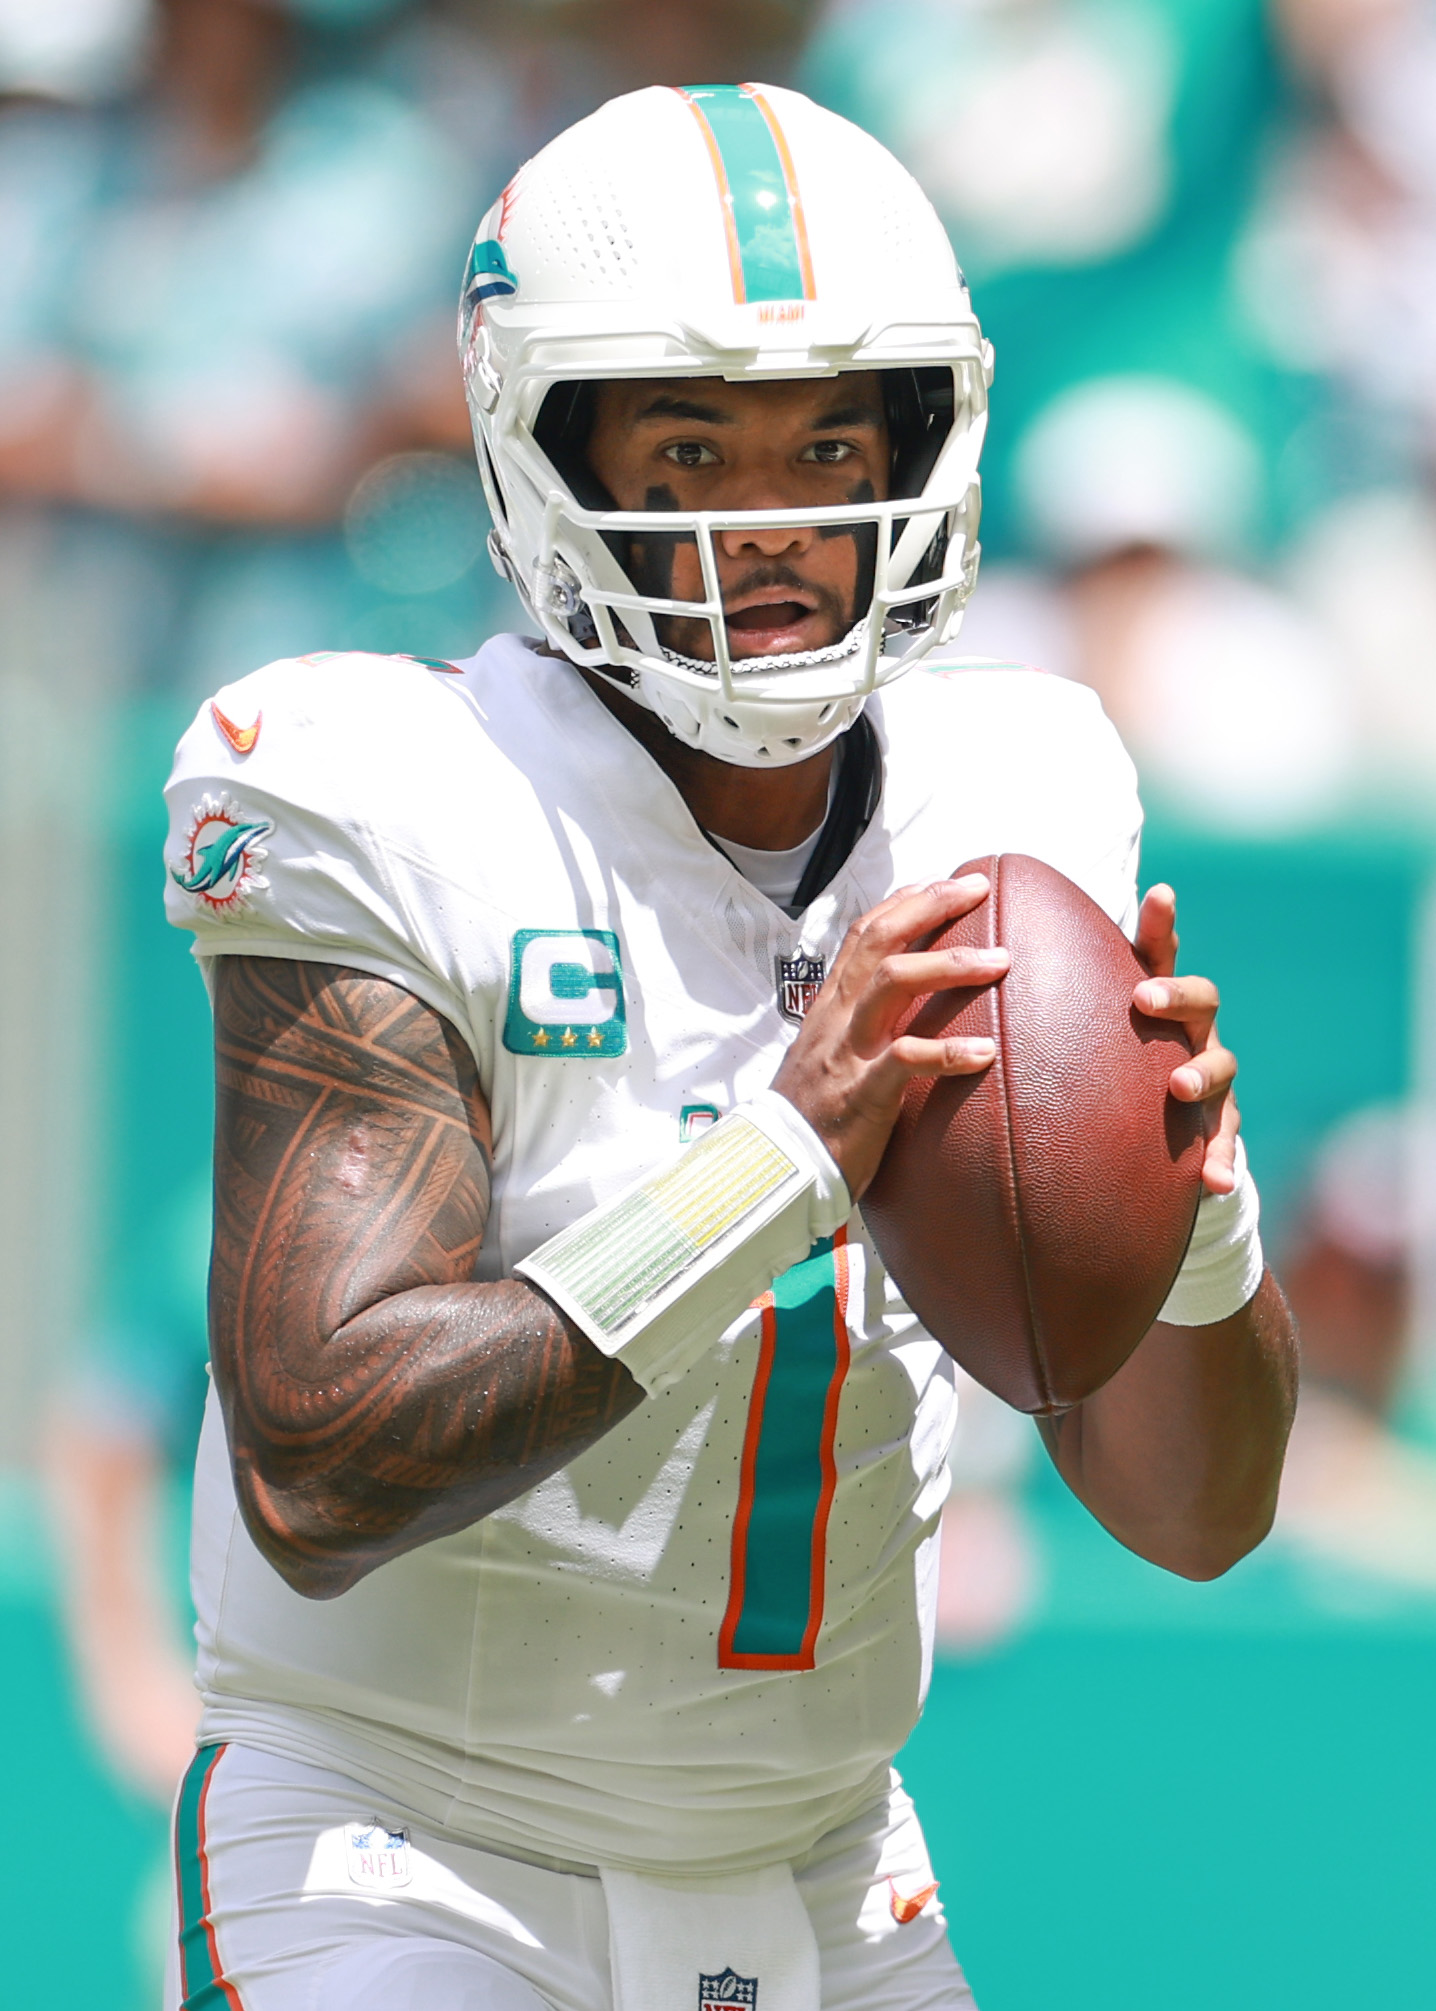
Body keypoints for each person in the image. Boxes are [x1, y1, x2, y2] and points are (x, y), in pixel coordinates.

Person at [161, 83, 1297, 2011]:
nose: (774, 524)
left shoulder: (1016, 790)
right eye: (691, 446)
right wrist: (779, 1160)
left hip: (828, 1868)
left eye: (829, 444)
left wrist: (1190, 1205)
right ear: (550, 456)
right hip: (406, 1853)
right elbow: (321, 1462)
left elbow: (1200, 1518)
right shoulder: (382, 782)